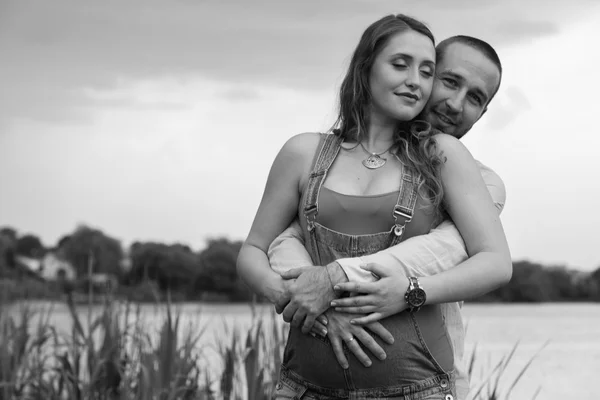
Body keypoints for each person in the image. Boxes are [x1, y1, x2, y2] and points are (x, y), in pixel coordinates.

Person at [237, 14, 511, 400]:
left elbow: (477, 257)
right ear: (366, 68)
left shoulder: (459, 168)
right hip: (304, 387)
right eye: (447, 81)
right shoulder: (307, 154)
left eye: (426, 71)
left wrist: (396, 289)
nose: (452, 101)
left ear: (483, 113)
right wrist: (307, 302)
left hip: (421, 382)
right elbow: (270, 244)